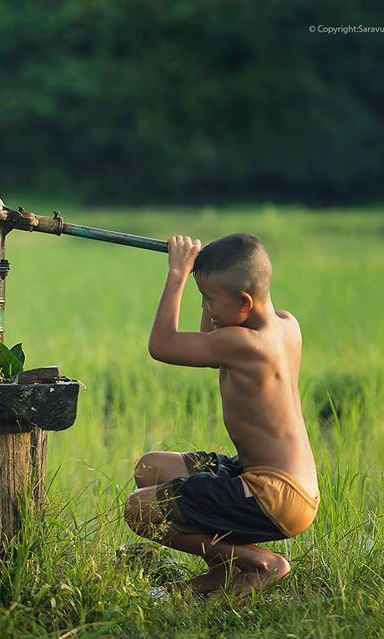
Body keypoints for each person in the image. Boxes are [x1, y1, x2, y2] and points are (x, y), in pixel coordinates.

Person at [124, 234, 319, 597]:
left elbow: (162, 345)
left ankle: (259, 563)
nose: (208, 309)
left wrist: (178, 274)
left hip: (273, 493)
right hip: (270, 481)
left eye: (210, 300)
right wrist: (205, 279)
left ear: (244, 302)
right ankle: (227, 570)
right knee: (150, 468)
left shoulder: (247, 345)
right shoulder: (286, 325)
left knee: (139, 510)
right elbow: (209, 337)